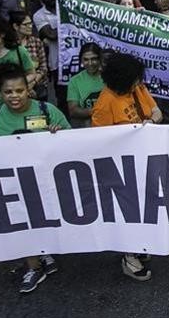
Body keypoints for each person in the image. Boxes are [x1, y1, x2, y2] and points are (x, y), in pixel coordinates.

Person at [0, 64, 69, 293]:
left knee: (40, 220)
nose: (14, 96)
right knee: (21, 223)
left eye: (19, 90)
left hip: (43, 182)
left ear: (28, 89)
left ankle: (42, 252)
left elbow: (70, 141)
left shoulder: (47, 111)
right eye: (8, 92)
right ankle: (34, 266)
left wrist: (58, 132)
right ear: (1, 93)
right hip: (9, 185)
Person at [93, 52, 161, 281]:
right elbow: (101, 142)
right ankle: (129, 256)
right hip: (122, 167)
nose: (139, 83)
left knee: (146, 204)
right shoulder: (105, 103)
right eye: (134, 80)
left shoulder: (138, 89)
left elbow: (156, 111)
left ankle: (139, 245)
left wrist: (149, 123)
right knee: (128, 209)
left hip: (144, 160)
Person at [10, 11, 48, 101]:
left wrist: (32, 84)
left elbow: (43, 68)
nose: (30, 26)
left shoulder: (36, 42)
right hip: (16, 89)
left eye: (30, 23)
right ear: (15, 26)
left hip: (37, 87)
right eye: (26, 24)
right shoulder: (9, 45)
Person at [66, 43, 104, 124]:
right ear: (81, 60)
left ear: (100, 59)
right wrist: (99, 111)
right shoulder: (75, 81)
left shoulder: (109, 77)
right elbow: (73, 110)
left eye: (94, 59)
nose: (90, 63)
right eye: (86, 60)